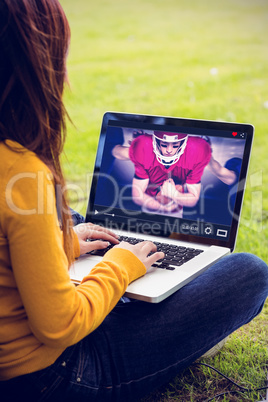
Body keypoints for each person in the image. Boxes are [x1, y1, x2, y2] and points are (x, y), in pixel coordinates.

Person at [0, 1, 268, 402]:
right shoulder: (24, 173)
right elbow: (58, 327)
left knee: (73, 221)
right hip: (52, 378)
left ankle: (131, 289)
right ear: (38, 65)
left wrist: (64, 243)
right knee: (248, 271)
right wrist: (120, 265)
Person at [113, 130, 212, 217]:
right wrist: (134, 149)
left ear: (183, 144)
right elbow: (138, 196)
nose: (169, 150)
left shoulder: (197, 151)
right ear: (156, 142)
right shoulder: (144, 147)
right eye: (164, 144)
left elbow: (193, 199)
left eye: (175, 145)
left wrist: (174, 194)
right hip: (150, 205)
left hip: (175, 207)